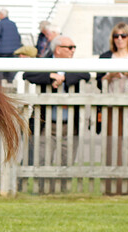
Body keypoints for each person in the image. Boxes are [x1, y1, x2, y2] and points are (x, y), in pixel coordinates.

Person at [23, 35, 89, 192]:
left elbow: (85, 75)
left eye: (74, 47)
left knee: (66, 159)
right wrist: (50, 76)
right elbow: (28, 74)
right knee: (42, 159)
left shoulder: (75, 66)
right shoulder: (45, 63)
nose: (73, 51)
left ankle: (61, 192)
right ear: (58, 49)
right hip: (47, 123)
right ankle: (41, 191)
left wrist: (64, 78)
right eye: (70, 47)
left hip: (69, 124)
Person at [96, 22, 128, 194]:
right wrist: (109, 75)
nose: (119, 39)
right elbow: (97, 81)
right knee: (112, 145)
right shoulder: (105, 57)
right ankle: (112, 187)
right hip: (110, 106)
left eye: (123, 36)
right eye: (116, 36)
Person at [0, 8, 21, 83]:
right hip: (12, 52)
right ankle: (9, 87)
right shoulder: (13, 24)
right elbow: (18, 38)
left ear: (1, 15)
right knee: (10, 72)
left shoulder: (0, 24)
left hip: (1, 52)